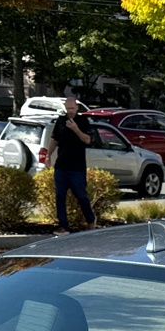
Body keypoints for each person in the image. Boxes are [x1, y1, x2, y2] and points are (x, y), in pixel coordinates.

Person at [49, 96, 95, 233]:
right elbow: (54, 139)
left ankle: (90, 219)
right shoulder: (61, 121)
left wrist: (76, 129)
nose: (70, 111)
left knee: (80, 195)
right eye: (68, 108)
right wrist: (48, 155)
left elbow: (87, 140)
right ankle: (63, 226)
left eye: (72, 108)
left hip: (77, 167)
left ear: (77, 108)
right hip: (61, 166)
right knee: (60, 196)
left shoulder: (83, 121)